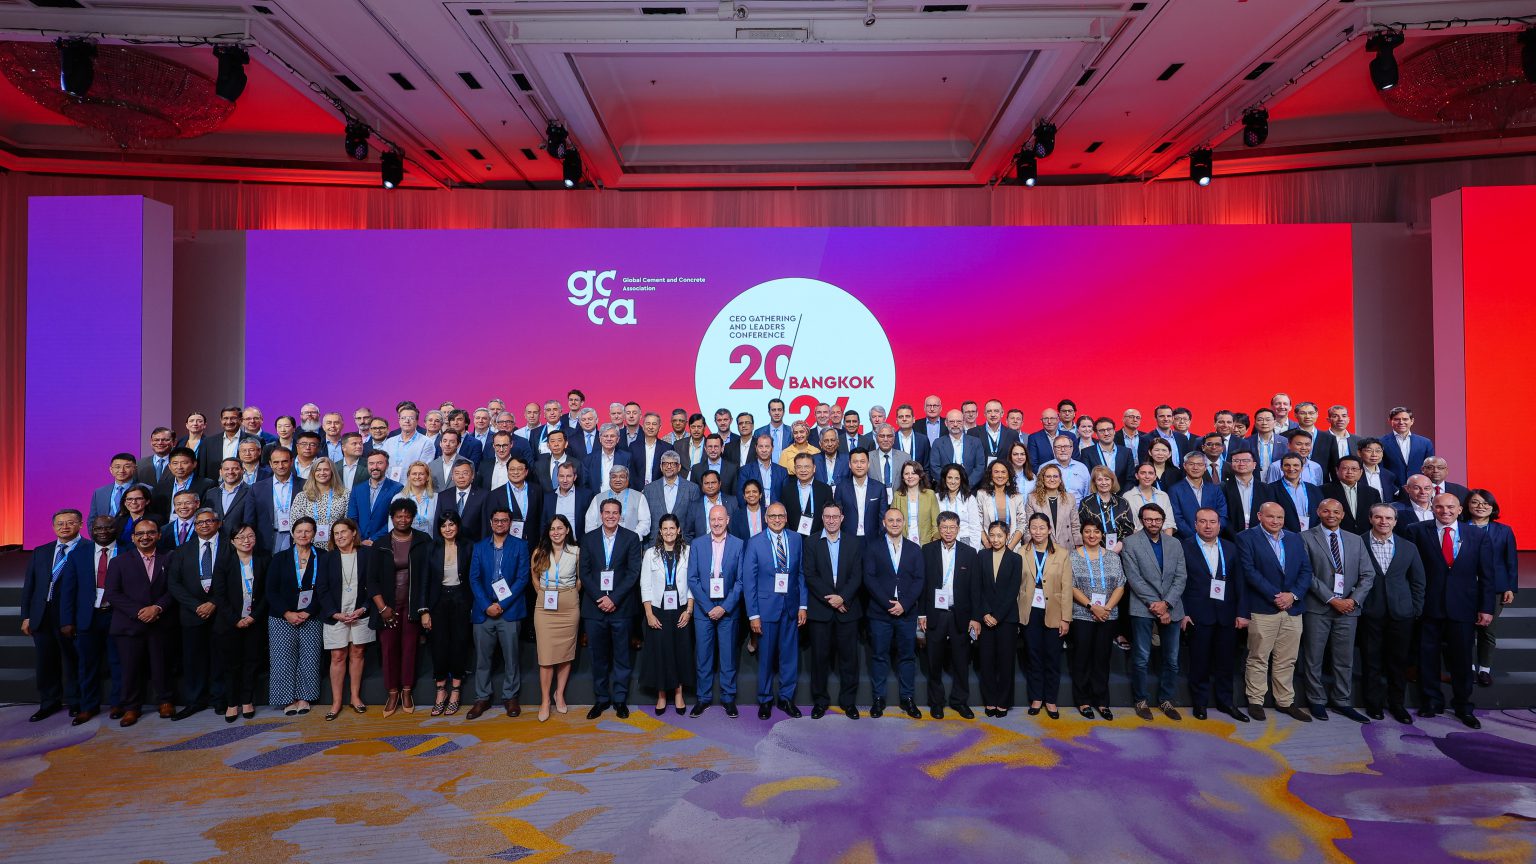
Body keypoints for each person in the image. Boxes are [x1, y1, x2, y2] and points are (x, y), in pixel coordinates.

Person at [1407, 494, 1496, 728]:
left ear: (1459, 510)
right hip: (1428, 607)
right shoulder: (1416, 531)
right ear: (1432, 508)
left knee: (1463, 660)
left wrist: (1486, 608)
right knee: (1427, 657)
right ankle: (1431, 702)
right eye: (1439, 507)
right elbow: (1410, 571)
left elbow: (1487, 575)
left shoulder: (1477, 535)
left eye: (1450, 507)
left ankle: (1463, 706)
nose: (1444, 511)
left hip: (1464, 607)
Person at [1236, 502, 1314, 722]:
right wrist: (1277, 596)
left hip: (1292, 608)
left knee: (1287, 659)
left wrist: (1293, 595)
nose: (1276, 521)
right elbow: (1249, 571)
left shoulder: (1295, 538)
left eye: (1280, 517)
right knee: (1258, 657)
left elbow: (1306, 570)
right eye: (1270, 516)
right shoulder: (1245, 537)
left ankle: (1285, 701)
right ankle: (1255, 700)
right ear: (1259, 516)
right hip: (1263, 608)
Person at [1299, 499, 1372, 722]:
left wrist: (1353, 600)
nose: (1331, 515)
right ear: (1318, 512)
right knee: (1314, 657)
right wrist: (1331, 599)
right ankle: (1316, 700)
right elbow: (1306, 573)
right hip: (1318, 607)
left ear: (1342, 515)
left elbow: (1368, 574)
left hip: (1348, 609)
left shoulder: (1355, 540)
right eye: (1326, 511)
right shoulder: (1305, 537)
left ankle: (1342, 701)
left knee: (1344, 658)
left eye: (1336, 512)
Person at [1178, 508, 1248, 722]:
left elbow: (1240, 583)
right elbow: (1178, 582)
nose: (1208, 526)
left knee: (1226, 662)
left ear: (1219, 524)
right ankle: (1200, 703)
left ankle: (1226, 702)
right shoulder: (1184, 547)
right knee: (1199, 662)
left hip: (1227, 614)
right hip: (1197, 614)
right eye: (1203, 521)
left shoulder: (1231, 547)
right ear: (1195, 524)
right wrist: (1183, 613)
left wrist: (1242, 612)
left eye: (1212, 522)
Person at [1358, 503, 1425, 724]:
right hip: (1370, 612)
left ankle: (1397, 704)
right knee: (1371, 661)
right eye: (1378, 517)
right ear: (1371, 519)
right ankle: (1373, 704)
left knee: (1398, 662)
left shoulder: (1409, 547)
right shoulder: (1358, 543)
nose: (1383, 522)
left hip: (1402, 614)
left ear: (1395, 522)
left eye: (1388, 518)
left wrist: (1415, 609)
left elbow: (1418, 581)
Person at [103, 518, 172, 727]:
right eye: (140, 534)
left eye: (150, 533)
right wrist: (138, 612)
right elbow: (112, 593)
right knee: (130, 668)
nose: (145, 537)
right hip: (129, 624)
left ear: (158, 535)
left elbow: (174, 588)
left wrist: (157, 608)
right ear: (133, 538)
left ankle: (165, 701)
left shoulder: (169, 558)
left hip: (160, 621)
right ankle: (131, 707)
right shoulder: (119, 562)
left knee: (162, 665)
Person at [21, 508, 88, 722]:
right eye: (60, 523)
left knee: (72, 660)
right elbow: (30, 586)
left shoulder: (89, 549)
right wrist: (27, 615)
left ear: (80, 525)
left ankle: (76, 701)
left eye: (70, 522)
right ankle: (49, 702)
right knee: (46, 661)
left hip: (71, 616)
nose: (64, 527)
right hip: (42, 615)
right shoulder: (41, 551)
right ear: (53, 527)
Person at [742, 503, 807, 719]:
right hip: (765, 610)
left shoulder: (796, 539)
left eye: (780, 516)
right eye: (772, 516)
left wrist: (803, 605)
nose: (777, 519)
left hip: (791, 607)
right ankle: (765, 700)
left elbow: (801, 574)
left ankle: (786, 699)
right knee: (766, 658)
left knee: (789, 657)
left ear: (786, 518)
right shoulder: (754, 542)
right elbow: (749, 582)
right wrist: (753, 615)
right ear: (765, 518)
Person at [580, 499, 644, 719]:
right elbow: (584, 573)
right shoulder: (588, 539)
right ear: (600, 514)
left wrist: (614, 598)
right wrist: (601, 598)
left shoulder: (631, 538)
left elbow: (633, 572)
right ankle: (601, 699)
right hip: (594, 607)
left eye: (614, 513)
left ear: (620, 515)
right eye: (607, 512)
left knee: (622, 656)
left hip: (621, 608)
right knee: (597, 657)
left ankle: (620, 700)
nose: (610, 516)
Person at [1121, 504, 1186, 721]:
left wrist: (1166, 603)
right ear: (1141, 520)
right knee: (1141, 658)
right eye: (1149, 519)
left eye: (1157, 519)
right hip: (1143, 606)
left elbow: (1181, 577)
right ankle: (1141, 700)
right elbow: (1134, 578)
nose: (1153, 523)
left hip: (1172, 607)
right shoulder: (1131, 543)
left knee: (1172, 660)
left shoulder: (1175, 543)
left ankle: (1166, 700)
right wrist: (1156, 604)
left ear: (1163, 520)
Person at [166, 507, 232, 719]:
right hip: (191, 613)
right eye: (200, 522)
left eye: (209, 521)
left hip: (221, 612)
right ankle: (195, 700)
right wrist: (196, 606)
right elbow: (174, 584)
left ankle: (219, 699)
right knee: (193, 659)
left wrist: (213, 602)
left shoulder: (230, 547)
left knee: (220, 657)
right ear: (194, 527)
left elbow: (234, 579)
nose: (204, 525)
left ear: (218, 523)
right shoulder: (182, 550)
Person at [467, 506, 532, 719]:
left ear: (510, 523)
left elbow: (522, 578)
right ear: (491, 523)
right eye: (496, 520)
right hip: (484, 611)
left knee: (511, 658)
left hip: (509, 610)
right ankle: (482, 698)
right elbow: (474, 579)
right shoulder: (479, 547)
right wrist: (487, 605)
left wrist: (502, 604)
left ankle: (510, 696)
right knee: (482, 659)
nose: (500, 524)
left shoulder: (521, 546)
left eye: (504, 520)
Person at [802, 501, 863, 719]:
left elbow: (857, 575)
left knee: (849, 660)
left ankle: (848, 702)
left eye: (835, 516)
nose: (831, 520)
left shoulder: (854, 543)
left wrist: (842, 597)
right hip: (821, 610)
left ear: (842, 518)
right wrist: (833, 599)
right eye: (827, 516)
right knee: (819, 659)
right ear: (822, 518)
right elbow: (810, 575)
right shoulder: (811, 542)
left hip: (848, 609)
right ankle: (820, 702)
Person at [369, 500, 430, 712]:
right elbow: (371, 580)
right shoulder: (380, 543)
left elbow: (428, 576)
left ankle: (406, 690)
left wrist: (424, 608)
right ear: (392, 518)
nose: (403, 520)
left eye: (407, 516)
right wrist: (382, 608)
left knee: (410, 647)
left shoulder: (423, 540)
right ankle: (392, 692)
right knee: (388, 648)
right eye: (398, 516)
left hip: (412, 605)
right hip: (388, 605)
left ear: (413, 517)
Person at [316, 519, 379, 721]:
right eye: (336, 533)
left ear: (353, 533)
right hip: (336, 615)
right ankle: (336, 702)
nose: (340, 536)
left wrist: (364, 608)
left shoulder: (367, 554)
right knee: (337, 656)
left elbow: (373, 584)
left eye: (343, 532)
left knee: (358, 653)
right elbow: (322, 589)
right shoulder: (327, 558)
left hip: (361, 613)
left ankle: (355, 697)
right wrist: (334, 613)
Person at [864, 507, 925, 719]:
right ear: (884, 523)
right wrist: (888, 604)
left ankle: (907, 698)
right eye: (891, 520)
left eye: (899, 520)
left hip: (906, 614)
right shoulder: (873, 547)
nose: (895, 524)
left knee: (907, 657)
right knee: (879, 656)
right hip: (880, 613)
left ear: (904, 522)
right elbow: (869, 578)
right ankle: (878, 699)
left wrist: (904, 605)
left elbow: (919, 580)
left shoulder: (914, 549)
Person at [688, 504, 746, 717]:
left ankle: (728, 698)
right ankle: (703, 698)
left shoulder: (739, 544)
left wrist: (724, 607)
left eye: (720, 519)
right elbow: (692, 579)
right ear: (708, 521)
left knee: (728, 657)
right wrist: (708, 607)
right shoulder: (697, 544)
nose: (717, 523)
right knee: (703, 657)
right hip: (703, 610)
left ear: (727, 520)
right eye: (713, 519)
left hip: (728, 610)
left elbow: (740, 581)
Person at [919, 511, 978, 719]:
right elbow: (923, 585)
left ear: (958, 529)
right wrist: (921, 614)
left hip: (959, 613)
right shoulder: (927, 550)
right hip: (935, 613)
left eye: (952, 527)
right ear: (938, 529)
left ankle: (960, 701)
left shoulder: (970, 553)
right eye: (944, 527)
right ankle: (936, 702)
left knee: (961, 661)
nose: (948, 531)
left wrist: (975, 617)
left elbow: (975, 588)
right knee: (934, 660)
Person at [416, 511, 475, 716]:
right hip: (438, 601)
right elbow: (424, 580)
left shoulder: (468, 546)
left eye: (451, 524)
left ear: (458, 526)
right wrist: (424, 610)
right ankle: (441, 690)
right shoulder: (431, 548)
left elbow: (474, 577)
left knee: (459, 644)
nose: (448, 529)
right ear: (439, 528)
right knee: (439, 646)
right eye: (443, 526)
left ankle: (456, 690)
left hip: (461, 600)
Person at [1018, 512, 1073, 719]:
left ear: (1049, 529)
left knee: (1052, 657)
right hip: (1029, 611)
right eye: (1034, 527)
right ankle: (1036, 698)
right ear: (1029, 529)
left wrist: (1066, 618)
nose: (1038, 531)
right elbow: (1017, 586)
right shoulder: (1021, 552)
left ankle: (1050, 699)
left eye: (1042, 527)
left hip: (1055, 611)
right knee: (1033, 656)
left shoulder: (1062, 553)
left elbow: (1067, 588)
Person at [67, 515, 121, 723]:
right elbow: (69, 591)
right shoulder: (78, 554)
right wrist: (66, 620)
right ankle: (88, 706)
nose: (103, 532)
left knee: (119, 662)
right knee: (87, 664)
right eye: (98, 528)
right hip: (88, 618)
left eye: (108, 528)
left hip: (118, 616)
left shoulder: (128, 551)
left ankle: (118, 703)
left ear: (116, 529)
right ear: (91, 530)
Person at [1069, 518, 1125, 720]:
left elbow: (1120, 585)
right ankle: (1083, 700)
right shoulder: (1073, 557)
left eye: (1096, 531)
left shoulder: (1113, 557)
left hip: (1107, 616)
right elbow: (1071, 586)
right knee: (1082, 658)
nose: (1091, 535)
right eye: (1087, 531)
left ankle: (1101, 701)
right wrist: (1092, 607)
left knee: (1102, 658)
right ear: (1082, 534)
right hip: (1082, 614)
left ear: (1102, 535)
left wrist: (1106, 608)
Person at [267, 518, 322, 717]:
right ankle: (287, 699)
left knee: (309, 658)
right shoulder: (279, 558)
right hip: (282, 617)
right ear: (292, 533)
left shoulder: (323, 556)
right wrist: (287, 613)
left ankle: (304, 697)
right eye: (299, 531)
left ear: (314, 533)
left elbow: (326, 588)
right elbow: (271, 590)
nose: (303, 535)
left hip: (311, 616)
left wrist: (309, 611)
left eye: (308, 531)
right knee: (282, 659)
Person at [640, 514, 694, 715]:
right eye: (665, 528)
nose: (669, 532)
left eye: (672, 528)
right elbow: (645, 585)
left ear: (678, 530)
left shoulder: (688, 552)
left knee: (680, 651)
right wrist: (649, 614)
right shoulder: (650, 554)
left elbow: (692, 583)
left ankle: (678, 694)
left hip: (681, 610)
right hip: (658, 610)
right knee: (660, 653)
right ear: (660, 531)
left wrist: (689, 611)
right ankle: (661, 695)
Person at [213, 522, 266, 721]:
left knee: (251, 663)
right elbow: (220, 595)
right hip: (230, 623)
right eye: (241, 537)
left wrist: (253, 617)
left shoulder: (263, 560)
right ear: (232, 541)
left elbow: (267, 594)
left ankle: (247, 700)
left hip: (254, 622)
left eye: (250, 536)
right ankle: (232, 703)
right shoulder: (223, 562)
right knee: (231, 665)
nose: (246, 541)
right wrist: (235, 619)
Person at [1465, 489, 1518, 687]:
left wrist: (1510, 587)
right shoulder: (1459, 527)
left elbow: (1511, 560)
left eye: (1486, 503)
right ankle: (1468, 667)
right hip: (1465, 587)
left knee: (1488, 630)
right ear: (1467, 505)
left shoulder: (1504, 530)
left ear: (1493, 507)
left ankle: (1484, 669)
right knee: (1466, 630)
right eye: (1475, 502)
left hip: (1495, 587)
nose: (1481, 506)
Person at [530, 514, 580, 722]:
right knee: (546, 656)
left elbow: (580, 579)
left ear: (567, 530)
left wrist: (570, 595)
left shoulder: (576, 552)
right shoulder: (539, 551)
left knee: (565, 654)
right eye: (552, 529)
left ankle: (559, 694)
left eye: (560, 528)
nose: (556, 532)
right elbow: (534, 576)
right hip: (545, 607)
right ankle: (545, 700)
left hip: (568, 608)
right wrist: (542, 593)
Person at [971, 521, 1021, 716]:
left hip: (1006, 619)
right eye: (992, 535)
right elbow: (977, 587)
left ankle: (1003, 702)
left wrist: (997, 616)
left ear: (1007, 536)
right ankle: (990, 700)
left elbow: (1013, 591)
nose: (995, 539)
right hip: (985, 618)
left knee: (1006, 662)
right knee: (986, 661)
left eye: (1000, 535)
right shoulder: (981, 555)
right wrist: (985, 613)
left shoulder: (1015, 558)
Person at [643, 451, 701, 543]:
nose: (669, 467)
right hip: (655, 543)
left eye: (673, 464)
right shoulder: (649, 489)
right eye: (665, 464)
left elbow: (696, 520)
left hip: (683, 542)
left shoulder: (692, 489)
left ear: (679, 467)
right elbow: (645, 519)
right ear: (661, 467)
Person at [292, 457, 349, 550]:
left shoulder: (344, 494)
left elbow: (348, 523)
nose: (322, 473)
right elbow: (294, 525)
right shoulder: (302, 496)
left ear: (332, 472)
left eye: (326, 469)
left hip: (336, 547)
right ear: (313, 473)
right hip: (308, 548)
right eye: (318, 470)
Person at [1078, 465, 1135, 552]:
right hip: (1094, 551)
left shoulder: (1123, 503)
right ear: (1094, 482)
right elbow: (1082, 529)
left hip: (1121, 551)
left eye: (1107, 479)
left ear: (1112, 481)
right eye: (1099, 479)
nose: (1104, 483)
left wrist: (1116, 550)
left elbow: (1129, 529)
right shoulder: (1086, 503)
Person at [835, 447, 887, 541]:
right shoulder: (841, 488)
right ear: (850, 465)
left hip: (873, 540)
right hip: (847, 539)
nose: (859, 465)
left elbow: (883, 517)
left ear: (868, 464)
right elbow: (837, 515)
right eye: (855, 462)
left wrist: (880, 540)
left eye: (862, 462)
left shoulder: (879, 488)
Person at [1025, 463, 1082, 549]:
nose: (1052, 479)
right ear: (1042, 479)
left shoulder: (1070, 498)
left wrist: (1078, 547)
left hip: (1067, 548)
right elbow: (1028, 527)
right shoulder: (1032, 499)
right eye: (1048, 476)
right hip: (1041, 548)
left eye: (1055, 476)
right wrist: (1030, 548)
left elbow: (1075, 526)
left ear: (1060, 479)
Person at [1322, 455, 1380, 535]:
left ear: (1361, 472)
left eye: (1354, 469)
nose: (1349, 472)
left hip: (1365, 536)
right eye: (1345, 468)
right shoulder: (1323, 490)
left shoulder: (1372, 492)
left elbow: (1377, 516)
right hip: (1336, 536)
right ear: (1337, 470)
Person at [781, 452, 835, 539]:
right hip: (793, 538)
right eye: (799, 467)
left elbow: (829, 515)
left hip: (818, 538)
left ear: (814, 468)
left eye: (807, 466)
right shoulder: (787, 490)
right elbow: (783, 516)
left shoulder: (825, 489)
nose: (803, 470)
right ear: (795, 469)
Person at [1380, 406, 1434, 492]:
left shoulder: (1425, 442)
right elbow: (1380, 469)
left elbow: (1430, 468)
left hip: (1420, 491)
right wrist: (1393, 489)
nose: (1401, 422)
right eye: (1397, 419)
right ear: (1390, 421)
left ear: (1412, 421)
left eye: (1405, 419)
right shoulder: (1380, 442)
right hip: (1392, 490)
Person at [975, 459, 1025, 549]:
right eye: (996, 472)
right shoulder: (981, 494)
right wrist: (987, 544)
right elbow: (977, 523)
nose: (1000, 475)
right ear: (991, 475)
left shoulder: (1017, 497)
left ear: (1008, 475)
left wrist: (1010, 547)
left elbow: (1021, 524)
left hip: (1012, 548)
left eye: (1003, 472)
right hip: (988, 547)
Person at [930, 409, 985, 488]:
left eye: (959, 421)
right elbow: (934, 467)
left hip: (969, 489)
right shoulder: (938, 443)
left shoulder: (976, 442)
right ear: (946, 423)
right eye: (952, 422)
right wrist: (949, 484)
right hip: (945, 489)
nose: (955, 424)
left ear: (964, 422)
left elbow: (980, 466)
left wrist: (967, 485)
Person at [1269, 453, 1322, 533]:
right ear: (1281, 468)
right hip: (1284, 535)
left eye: (1296, 465)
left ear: (1302, 468)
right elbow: (1270, 515)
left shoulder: (1314, 489)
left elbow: (1321, 512)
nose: (1291, 469)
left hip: (1312, 534)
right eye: (1287, 465)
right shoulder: (1271, 489)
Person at [935, 462, 983, 549]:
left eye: (957, 478)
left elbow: (975, 527)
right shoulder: (936, 498)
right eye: (950, 478)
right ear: (944, 479)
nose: (953, 482)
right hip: (942, 541)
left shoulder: (969, 499)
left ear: (961, 480)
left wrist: (974, 550)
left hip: (964, 540)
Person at [204, 458, 256, 531]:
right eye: (226, 469)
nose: (230, 472)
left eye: (235, 469)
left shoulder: (252, 491)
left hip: (240, 537)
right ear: (220, 472)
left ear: (243, 471)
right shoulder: (211, 493)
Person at [1047, 435, 1093, 501]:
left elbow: (1088, 495)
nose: (1063, 450)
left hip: (1078, 507)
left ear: (1072, 448)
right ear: (1053, 449)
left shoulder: (1082, 468)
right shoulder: (1044, 467)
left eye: (1066, 446)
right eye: (1058, 447)